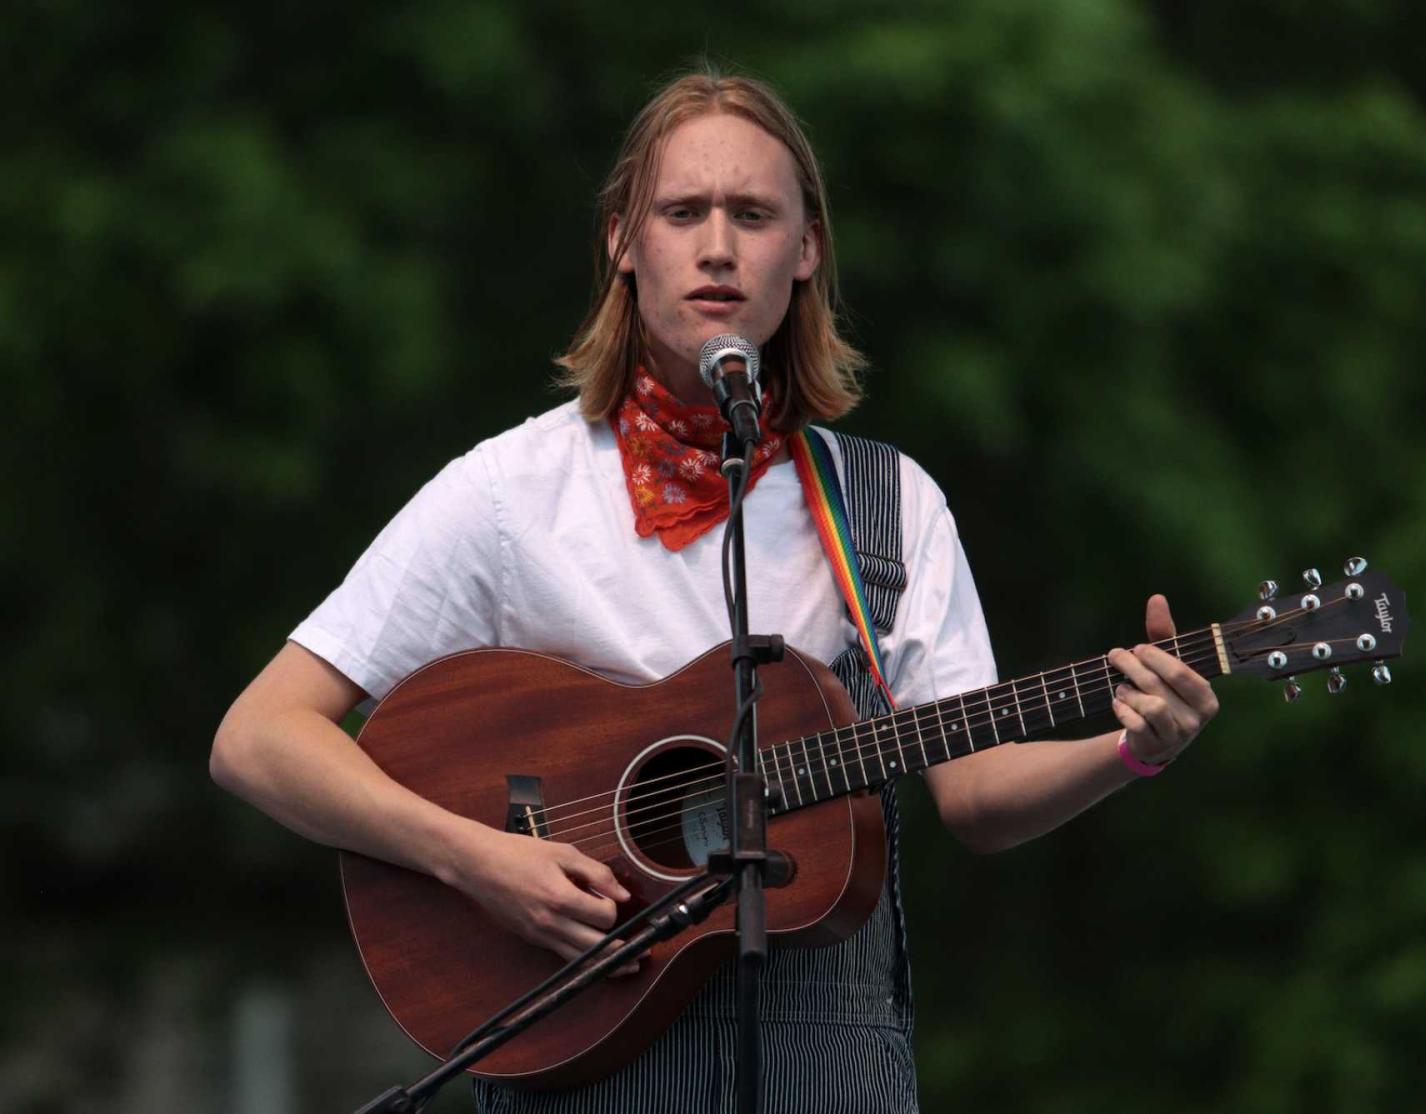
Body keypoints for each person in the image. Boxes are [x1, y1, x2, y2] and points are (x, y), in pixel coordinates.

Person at [210, 68, 1219, 1113]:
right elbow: (259, 738)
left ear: (808, 249)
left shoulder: (887, 505)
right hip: (579, 1052)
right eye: (682, 211)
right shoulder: (511, 493)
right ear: (622, 241)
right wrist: (474, 860)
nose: (718, 246)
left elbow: (975, 794)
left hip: (828, 1068)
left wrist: (1131, 748)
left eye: (753, 213)